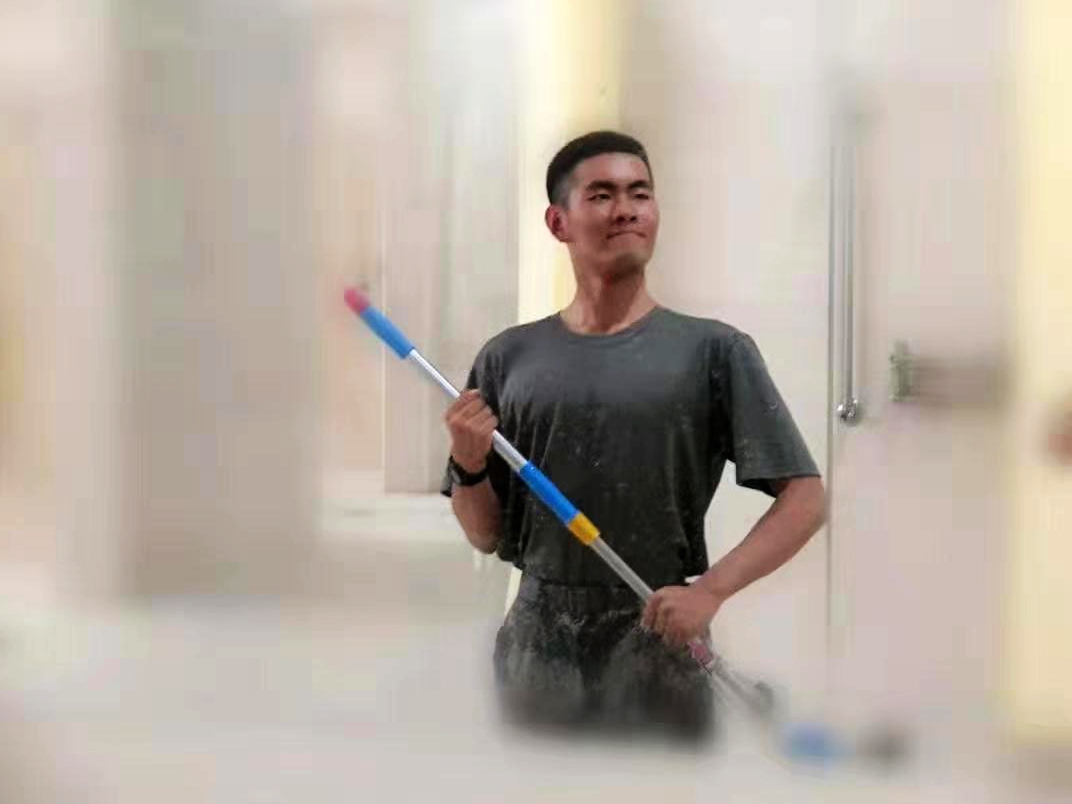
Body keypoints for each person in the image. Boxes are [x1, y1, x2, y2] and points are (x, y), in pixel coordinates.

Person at [440, 130, 826, 743]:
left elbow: (806, 498)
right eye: (601, 195)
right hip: (537, 644)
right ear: (558, 222)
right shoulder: (507, 358)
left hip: (656, 636)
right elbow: (485, 534)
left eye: (639, 193)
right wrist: (468, 463)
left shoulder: (713, 351)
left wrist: (711, 591)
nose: (625, 209)